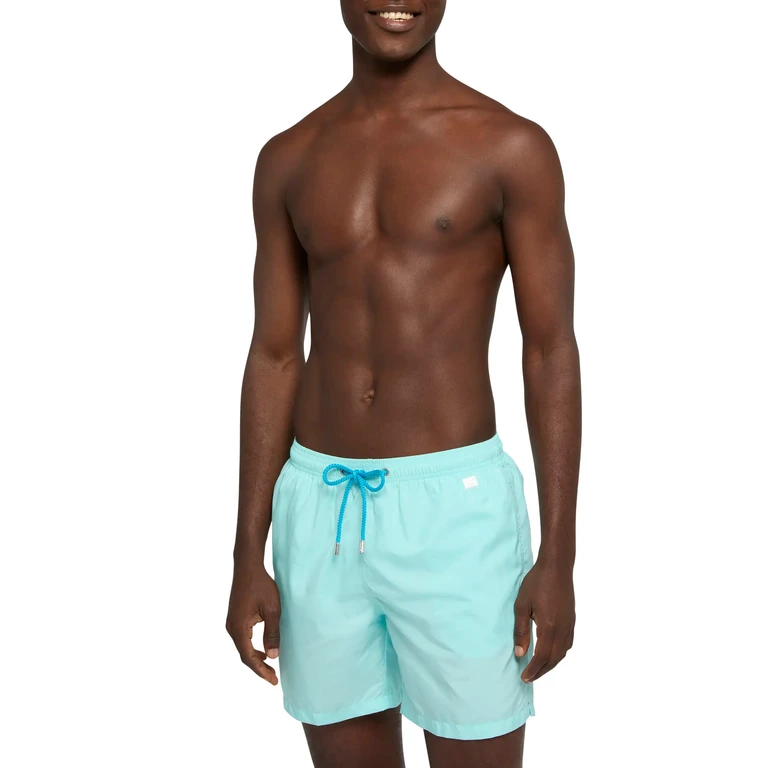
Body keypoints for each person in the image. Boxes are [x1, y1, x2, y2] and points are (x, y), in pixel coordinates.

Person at [226, 2, 580, 766]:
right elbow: (275, 355)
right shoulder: (289, 157)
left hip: (455, 513)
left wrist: (560, 556)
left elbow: (550, 350)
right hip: (318, 508)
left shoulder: (510, 147)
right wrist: (246, 551)